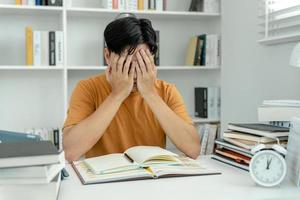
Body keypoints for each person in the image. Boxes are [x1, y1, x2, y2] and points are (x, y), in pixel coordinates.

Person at [63, 15, 200, 161]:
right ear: (107, 55)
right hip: (103, 181)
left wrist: (150, 94)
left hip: (151, 178)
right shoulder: (88, 88)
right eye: (127, 63)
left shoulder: (166, 91)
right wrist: (117, 95)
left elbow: (193, 149)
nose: (135, 71)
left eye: (142, 62)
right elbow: (70, 152)